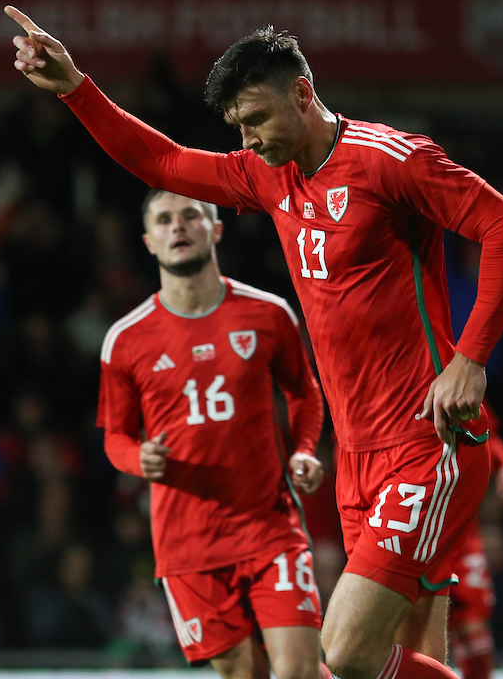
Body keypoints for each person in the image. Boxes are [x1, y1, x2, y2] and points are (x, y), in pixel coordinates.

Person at [6, 7, 503, 679]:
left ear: (303, 94)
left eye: (257, 118)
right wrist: (75, 88)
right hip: (358, 462)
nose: (249, 138)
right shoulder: (267, 177)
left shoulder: (390, 160)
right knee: (411, 653)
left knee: (342, 653)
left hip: (426, 442)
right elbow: (162, 160)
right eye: (238, 127)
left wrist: (471, 358)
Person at [98, 188, 328, 679]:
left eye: (191, 216)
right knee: (244, 674)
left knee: (298, 673)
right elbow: (115, 438)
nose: (177, 227)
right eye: (164, 220)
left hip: (269, 527)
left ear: (216, 229)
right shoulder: (126, 339)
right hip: (188, 545)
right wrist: (140, 460)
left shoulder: (268, 313)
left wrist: (303, 450)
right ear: (149, 242)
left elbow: (305, 392)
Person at [448, 429, 503, 679]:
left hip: (460, 528)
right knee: (414, 628)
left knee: (473, 620)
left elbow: (482, 422)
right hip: (410, 515)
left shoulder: (458, 390)